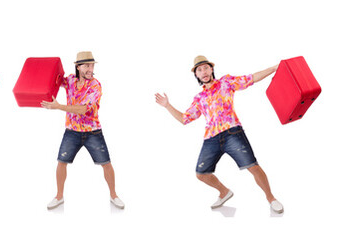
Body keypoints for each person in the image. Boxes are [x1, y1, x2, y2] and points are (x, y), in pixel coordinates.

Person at [155, 55, 284, 213]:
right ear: (196, 75)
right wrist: (167, 106)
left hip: (232, 133)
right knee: (201, 173)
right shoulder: (199, 98)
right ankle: (224, 192)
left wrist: (273, 68)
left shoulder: (226, 82)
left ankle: (271, 198)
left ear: (211, 69)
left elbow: (251, 78)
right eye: (199, 70)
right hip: (211, 139)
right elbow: (184, 119)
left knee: (253, 167)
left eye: (206, 68)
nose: (203, 72)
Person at [42, 51, 124, 210]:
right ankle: (59, 197)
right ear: (78, 67)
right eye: (86, 65)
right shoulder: (71, 81)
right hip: (71, 131)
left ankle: (113, 195)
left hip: (93, 132)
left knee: (106, 163)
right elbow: (55, 80)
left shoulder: (95, 85)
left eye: (92, 65)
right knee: (61, 162)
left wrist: (58, 106)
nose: (90, 68)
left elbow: (83, 109)